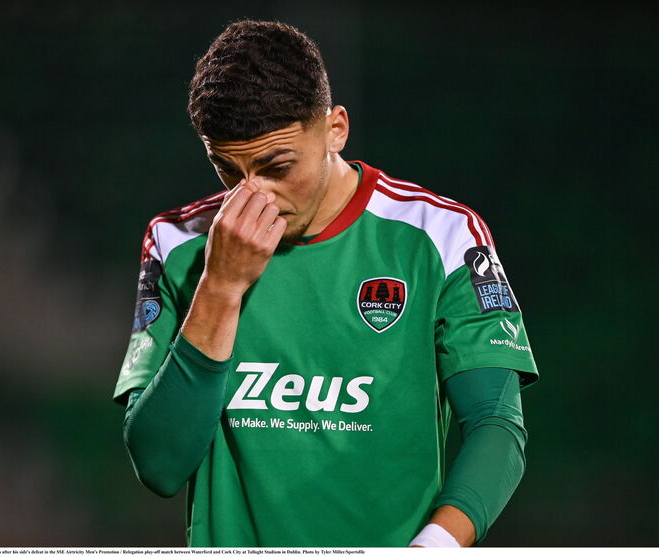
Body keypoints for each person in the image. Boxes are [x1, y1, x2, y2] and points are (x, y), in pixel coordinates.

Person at [113, 20, 538, 547]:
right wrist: (220, 288)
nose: (253, 197)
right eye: (228, 170)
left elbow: (497, 424)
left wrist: (434, 546)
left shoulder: (441, 236)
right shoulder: (178, 243)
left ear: (335, 129)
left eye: (276, 166)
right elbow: (158, 464)